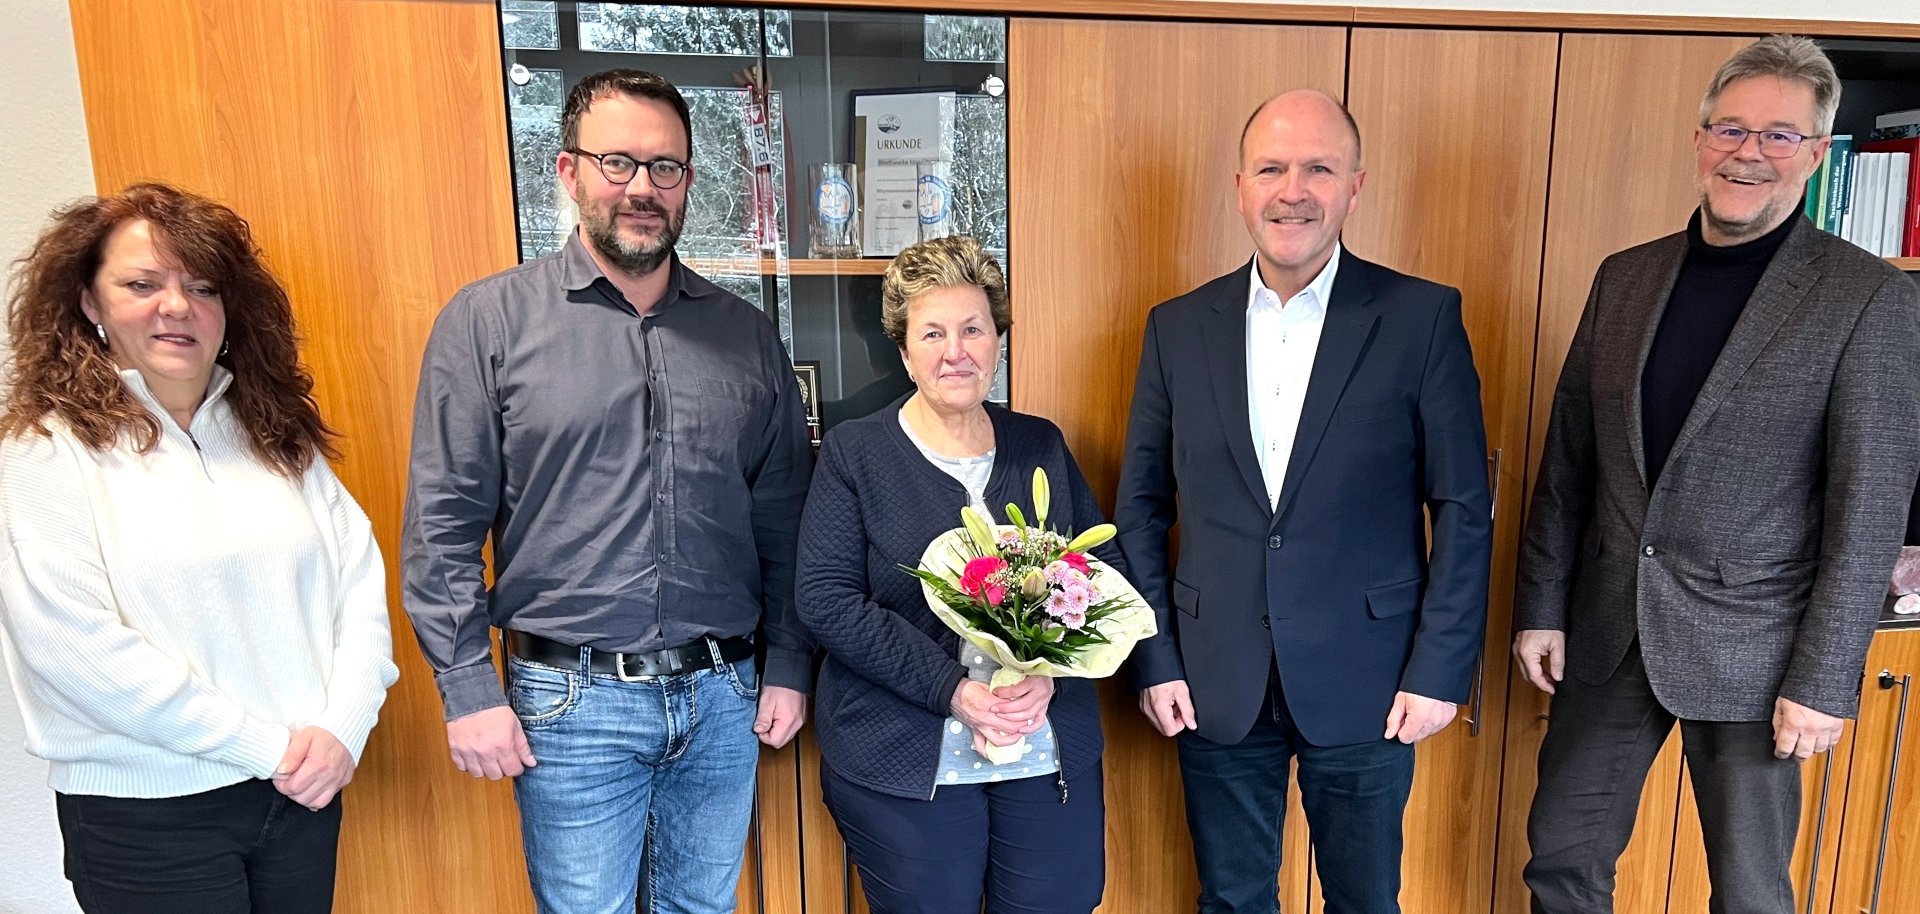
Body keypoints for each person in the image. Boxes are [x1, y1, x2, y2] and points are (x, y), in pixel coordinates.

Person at [1514, 35, 1920, 914]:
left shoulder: (1869, 297)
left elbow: (1870, 508)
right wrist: (1541, 609)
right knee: (1561, 866)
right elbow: (1568, 464)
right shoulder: (1625, 278)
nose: (1749, 153)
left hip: (1761, 651)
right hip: (1609, 629)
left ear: (1816, 155)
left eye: (1779, 136)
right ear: (1700, 140)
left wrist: (1823, 679)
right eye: (1731, 129)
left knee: (1749, 894)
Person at [401, 68, 814, 914]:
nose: (642, 189)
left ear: (690, 182)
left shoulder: (747, 339)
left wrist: (792, 666)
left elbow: (784, 521)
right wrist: (468, 688)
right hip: (569, 703)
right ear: (568, 172)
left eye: (666, 168)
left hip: (723, 696)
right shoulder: (488, 324)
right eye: (617, 162)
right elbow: (442, 529)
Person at [1114, 90, 1493, 914]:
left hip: (1374, 677)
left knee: (1365, 901)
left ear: (1355, 185)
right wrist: (1156, 655)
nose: (1294, 190)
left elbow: (1464, 504)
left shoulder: (1422, 317)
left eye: (1318, 168)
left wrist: (1440, 669)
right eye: (1272, 168)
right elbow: (1140, 506)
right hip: (1214, 677)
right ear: (1240, 186)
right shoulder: (1176, 328)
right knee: (1232, 900)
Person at [0, 182, 399, 914]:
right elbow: (75, 651)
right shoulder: (44, 453)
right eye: (142, 284)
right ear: (90, 303)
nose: (177, 306)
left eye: (202, 286)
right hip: (148, 817)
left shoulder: (276, 439)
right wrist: (263, 747)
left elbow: (359, 591)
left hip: (299, 798)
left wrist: (343, 728)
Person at [796, 235, 1110, 914]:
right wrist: (954, 692)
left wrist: (1049, 670)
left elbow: (1100, 575)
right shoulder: (857, 454)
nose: (955, 350)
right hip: (904, 750)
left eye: (972, 328)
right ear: (904, 351)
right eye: (932, 333)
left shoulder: (1040, 445)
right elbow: (826, 599)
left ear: (998, 338)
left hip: (1041, 747)